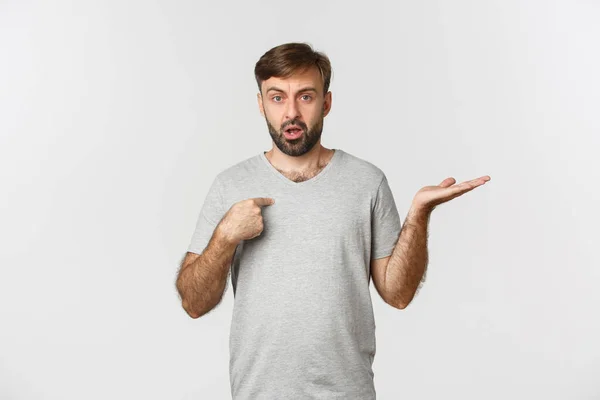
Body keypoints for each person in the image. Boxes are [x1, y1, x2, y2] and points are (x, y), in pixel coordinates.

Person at [175, 42, 490, 400]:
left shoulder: (366, 181)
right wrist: (225, 237)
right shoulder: (230, 185)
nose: (291, 112)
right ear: (260, 104)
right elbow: (193, 303)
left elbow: (398, 294)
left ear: (326, 102)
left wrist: (419, 213)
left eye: (305, 97)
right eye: (277, 98)